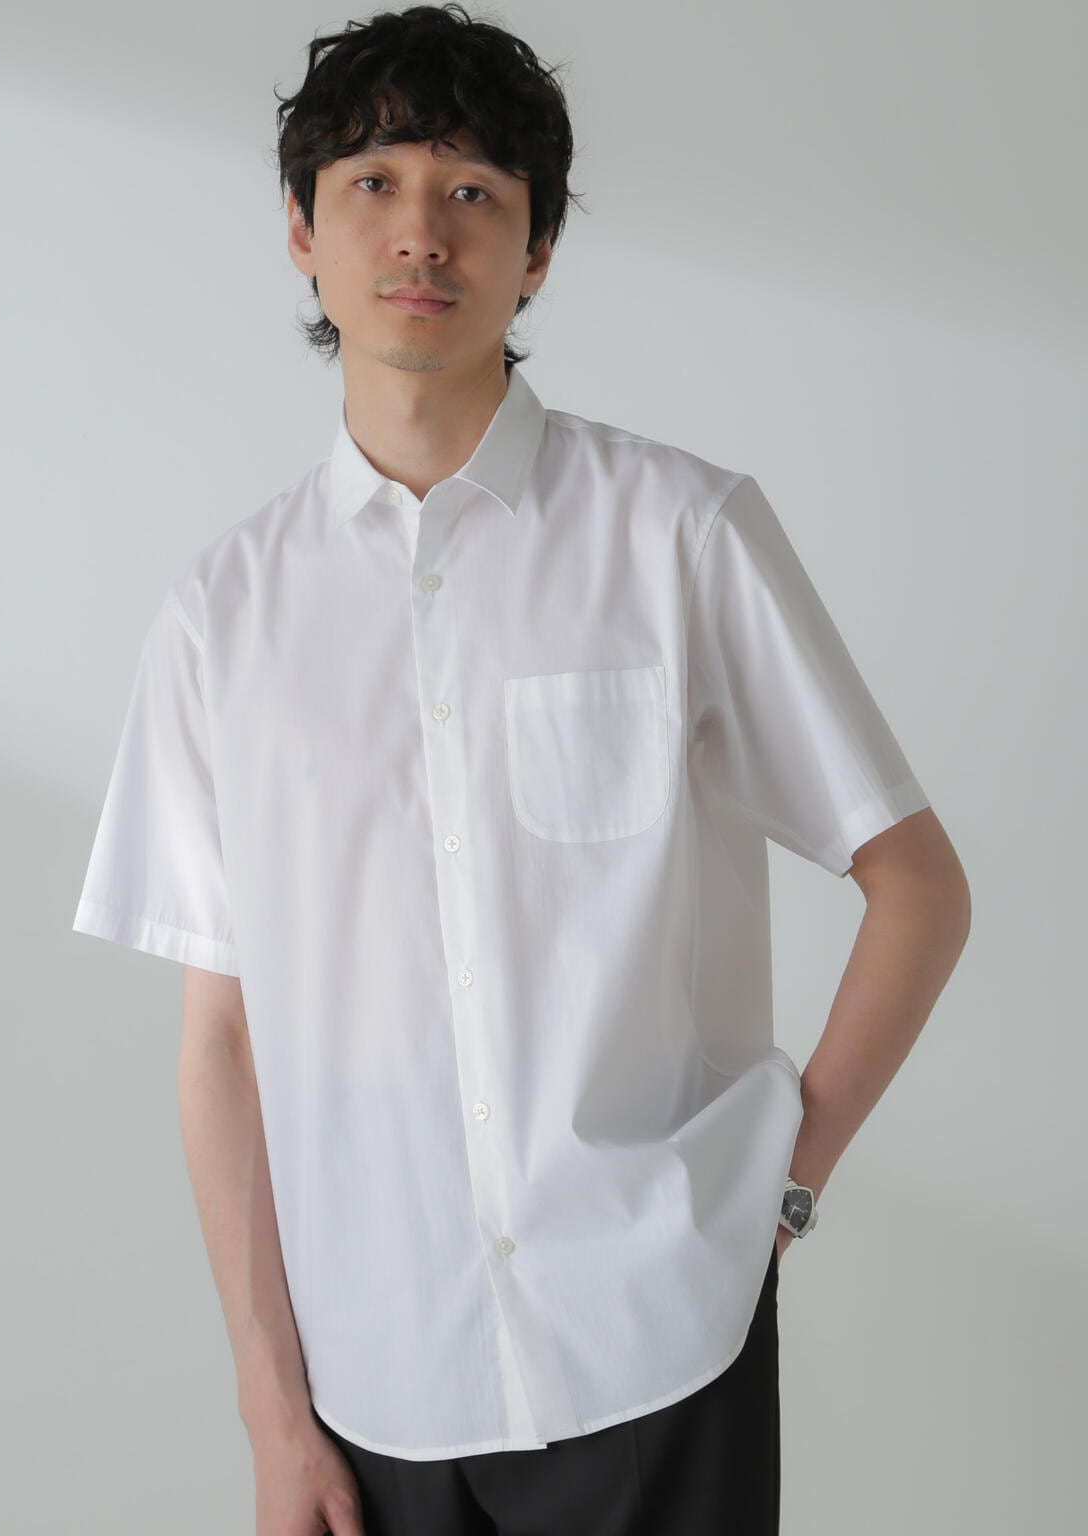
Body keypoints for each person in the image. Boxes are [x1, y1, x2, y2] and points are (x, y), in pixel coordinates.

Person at [71, 5, 971, 1532]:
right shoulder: (223, 618)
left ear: (537, 250)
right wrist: (272, 1409)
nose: (422, 231)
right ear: (299, 229)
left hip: (661, 1338)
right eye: (373, 183)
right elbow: (221, 1041)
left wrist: (785, 1188)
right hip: (374, 1376)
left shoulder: (680, 536)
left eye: (474, 192)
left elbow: (918, 885)